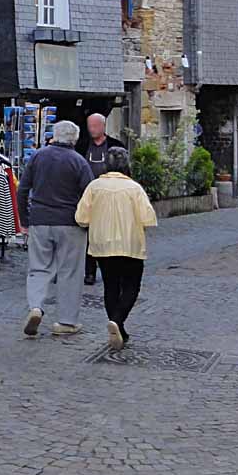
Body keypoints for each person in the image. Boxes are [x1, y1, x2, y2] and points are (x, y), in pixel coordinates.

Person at [74, 146, 157, 351]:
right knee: (131, 286)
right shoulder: (134, 188)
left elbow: (81, 218)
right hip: (130, 244)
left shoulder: (94, 187)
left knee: (111, 286)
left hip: (102, 245)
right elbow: (148, 218)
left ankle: (117, 325)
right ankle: (118, 321)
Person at [16, 119, 93, 337]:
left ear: (54, 135)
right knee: (70, 271)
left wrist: (24, 220)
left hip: (40, 219)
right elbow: (90, 195)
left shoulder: (38, 156)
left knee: (38, 268)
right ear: (75, 139)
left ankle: (36, 307)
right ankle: (66, 322)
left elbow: (22, 190)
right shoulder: (78, 162)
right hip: (70, 223)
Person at [75, 113, 125, 284]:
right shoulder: (81, 146)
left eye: (95, 126)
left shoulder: (116, 146)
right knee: (90, 237)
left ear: (103, 126)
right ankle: (89, 272)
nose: (92, 130)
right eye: (90, 126)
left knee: (109, 235)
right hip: (87, 196)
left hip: (110, 197)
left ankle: (111, 269)